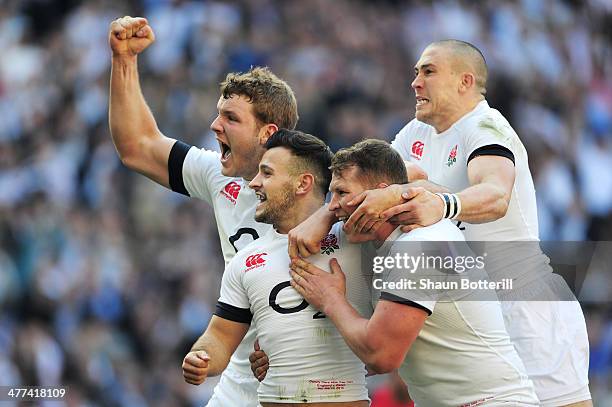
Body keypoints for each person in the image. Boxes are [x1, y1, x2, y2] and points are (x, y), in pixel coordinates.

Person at [339, 40, 592, 407]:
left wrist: (442, 203)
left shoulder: (486, 127)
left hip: (521, 302)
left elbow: (495, 194)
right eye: (415, 73)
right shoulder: (415, 133)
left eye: (428, 71)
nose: (415, 82)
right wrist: (322, 218)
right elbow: (360, 181)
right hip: (467, 312)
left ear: (465, 81)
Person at [108, 16, 298, 406]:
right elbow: (137, 146)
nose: (214, 126)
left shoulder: (328, 191)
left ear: (267, 133)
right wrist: (124, 61)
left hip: (308, 383)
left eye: (230, 118)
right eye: (218, 113)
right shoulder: (218, 175)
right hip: (240, 380)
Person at [289, 139, 539, 406]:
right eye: (331, 194)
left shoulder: (420, 243)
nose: (333, 205)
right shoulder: (381, 241)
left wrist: (331, 299)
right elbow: (415, 174)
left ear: (380, 194)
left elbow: (381, 356)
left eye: (341, 193)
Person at [182, 129, 372, 406]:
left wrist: (330, 212)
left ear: (302, 183)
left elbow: (407, 182)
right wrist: (201, 357)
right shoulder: (246, 261)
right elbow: (221, 337)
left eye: (267, 174)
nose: (253, 184)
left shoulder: (360, 237)